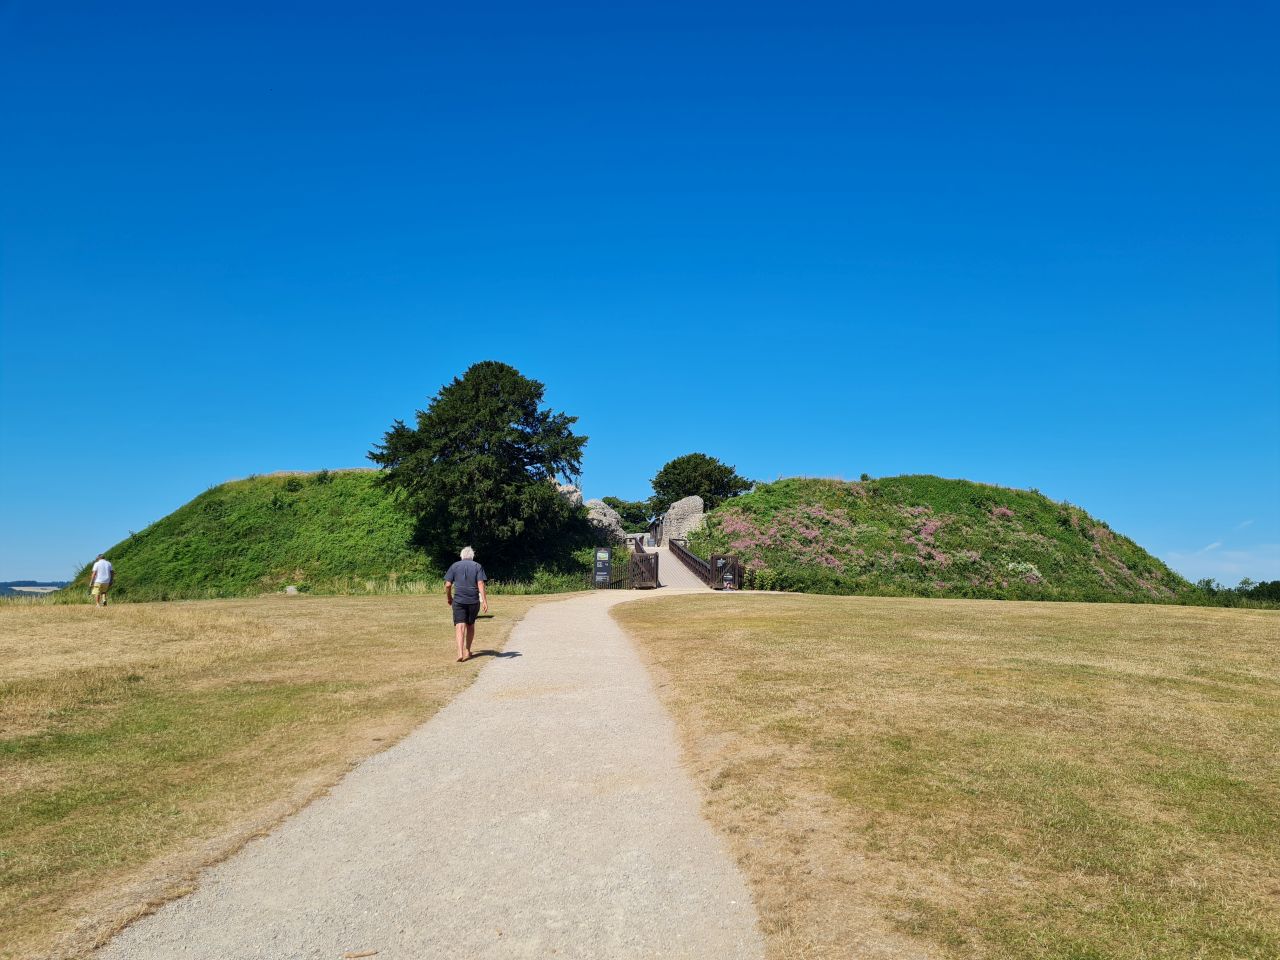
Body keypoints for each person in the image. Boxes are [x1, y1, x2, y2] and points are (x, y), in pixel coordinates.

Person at [443, 546, 488, 662]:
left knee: (459, 626)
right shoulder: (477, 566)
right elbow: (481, 583)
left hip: (458, 601)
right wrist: (485, 601)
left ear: (461, 556)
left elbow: (448, 585)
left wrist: (449, 597)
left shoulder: (454, 566)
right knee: (470, 625)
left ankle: (459, 652)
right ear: (472, 556)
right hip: (473, 601)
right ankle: (467, 650)